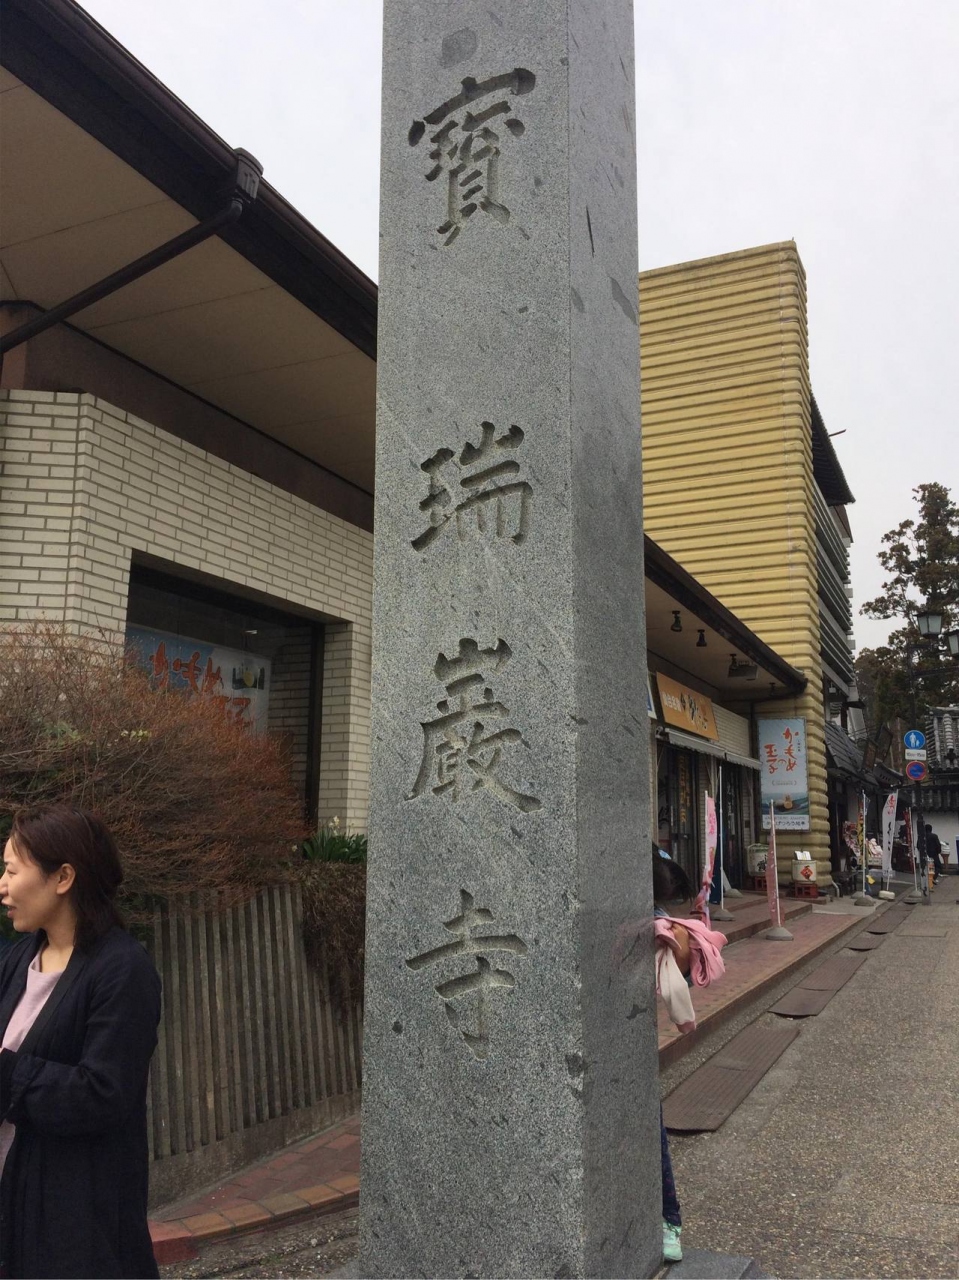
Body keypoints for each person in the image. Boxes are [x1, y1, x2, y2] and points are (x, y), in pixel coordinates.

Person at [0, 806, 162, 1279]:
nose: (2, 886)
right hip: (14, 1217)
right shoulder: (20, 959)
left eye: (11, 871)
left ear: (63, 877)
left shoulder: (122, 971)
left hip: (75, 1234)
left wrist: (7, 1073)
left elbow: (103, 1093)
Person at [651, 846, 727, 1265]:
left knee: (646, 1118)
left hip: (624, 1041)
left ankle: (668, 1218)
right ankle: (668, 1218)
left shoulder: (657, 919)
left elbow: (682, 968)